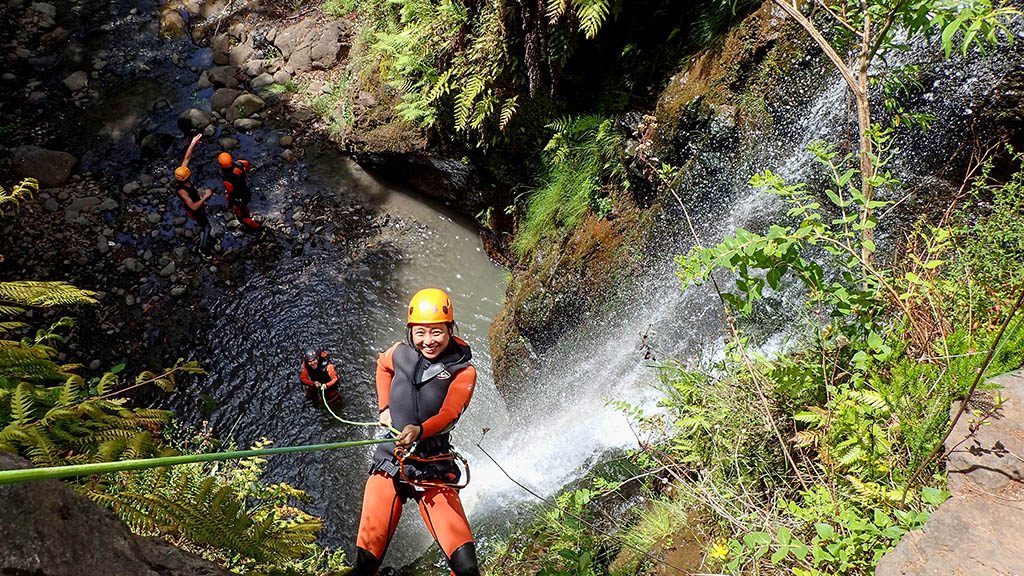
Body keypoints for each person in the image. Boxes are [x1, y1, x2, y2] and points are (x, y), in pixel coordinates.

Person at [352, 288, 479, 576]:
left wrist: (419, 430)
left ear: (450, 329)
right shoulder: (400, 352)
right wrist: (384, 407)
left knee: (466, 567)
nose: (428, 341)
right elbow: (382, 366)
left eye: (437, 332)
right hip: (391, 459)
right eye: (420, 332)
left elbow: (450, 415)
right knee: (365, 565)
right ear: (411, 331)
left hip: (431, 465)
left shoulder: (463, 370)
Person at [174, 134, 214, 258]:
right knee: (206, 227)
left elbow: (187, 158)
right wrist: (205, 197)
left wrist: (193, 143)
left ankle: (209, 240)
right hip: (195, 210)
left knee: (206, 225)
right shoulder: (182, 191)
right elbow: (193, 207)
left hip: (197, 204)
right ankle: (203, 249)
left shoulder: (181, 176)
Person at [217, 152, 261, 232]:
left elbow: (230, 192)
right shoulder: (239, 164)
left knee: (241, 218)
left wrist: (229, 203)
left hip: (238, 197)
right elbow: (248, 164)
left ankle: (257, 227)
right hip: (246, 191)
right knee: (244, 206)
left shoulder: (227, 179)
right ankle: (249, 215)